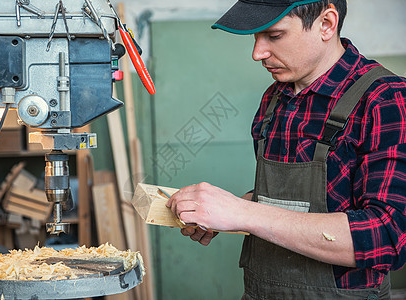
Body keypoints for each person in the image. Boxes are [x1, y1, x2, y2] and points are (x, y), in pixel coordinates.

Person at [165, 0, 406, 299]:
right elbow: (295, 201)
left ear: (326, 24)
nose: (257, 53)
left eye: (274, 35)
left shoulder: (385, 99)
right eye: (256, 37)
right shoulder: (275, 98)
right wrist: (221, 212)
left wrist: (244, 213)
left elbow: (388, 236)